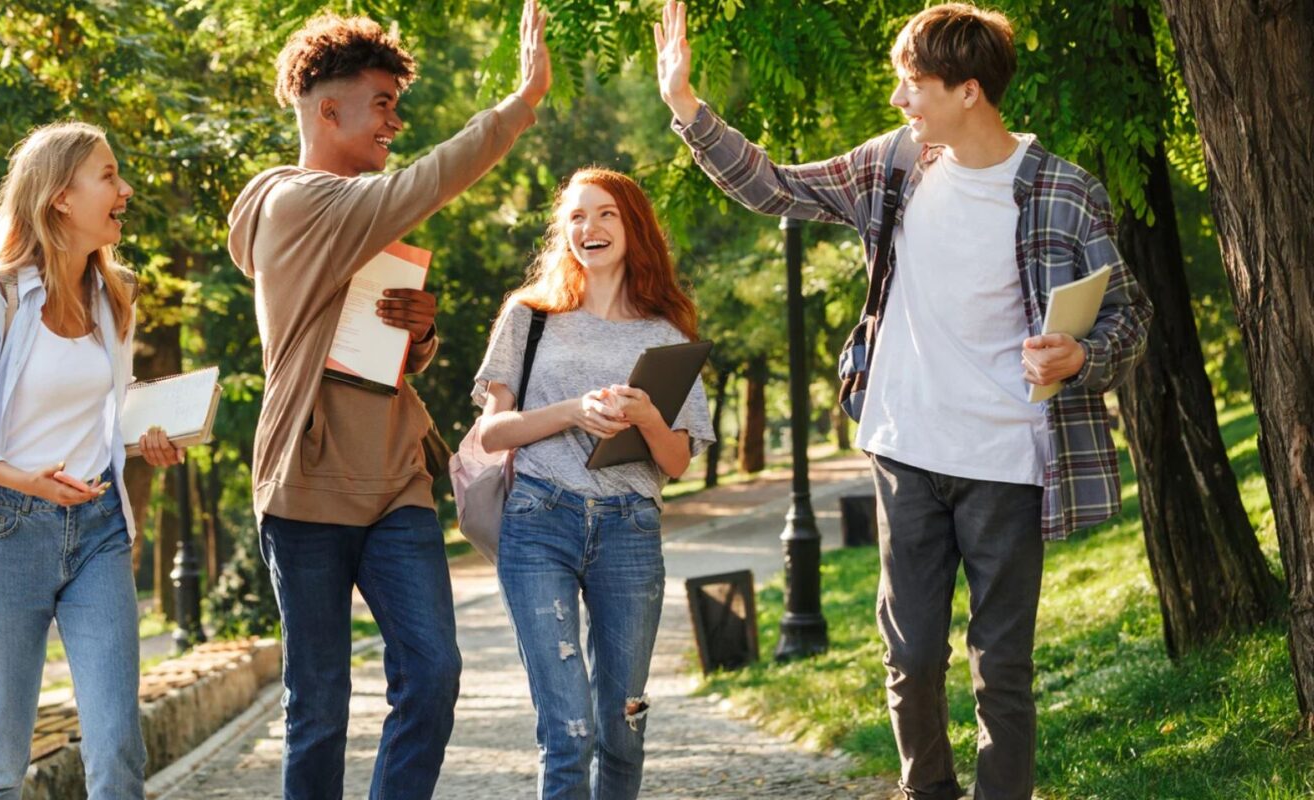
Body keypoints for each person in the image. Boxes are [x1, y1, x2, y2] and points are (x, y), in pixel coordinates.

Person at [653, 3, 1152, 798]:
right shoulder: (896, 166)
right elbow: (778, 188)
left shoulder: (1062, 190)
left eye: (913, 85)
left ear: (968, 91)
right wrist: (687, 106)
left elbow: (1129, 316)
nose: (899, 101)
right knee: (913, 657)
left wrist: (1083, 352)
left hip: (1008, 461)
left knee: (1003, 669)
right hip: (906, 448)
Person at [222, 3, 551, 797]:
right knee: (320, 706)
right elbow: (426, 181)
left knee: (433, 674)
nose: (393, 123)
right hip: (307, 483)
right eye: (381, 105)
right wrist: (522, 101)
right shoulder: (298, 203)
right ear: (327, 110)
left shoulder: (353, 219)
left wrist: (420, 333)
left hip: (396, 477)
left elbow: (371, 351)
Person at [0, 122, 183, 799]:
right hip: (9, 532)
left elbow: (109, 412)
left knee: (117, 745)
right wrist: (22, 478)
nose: (124, 190)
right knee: (4, 756)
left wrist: (149, 438)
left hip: (97, 525)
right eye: (109, 176)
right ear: (61, 196)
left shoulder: (114, 297)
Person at [471, 168, 715, 799]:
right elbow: (492, 435)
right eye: (577, 216)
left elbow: (680, 461)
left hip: (630, 528)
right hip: (537, 520)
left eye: (606, 214)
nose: (590, 228)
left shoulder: (668, 333)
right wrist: (573, 411)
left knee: (622, 726)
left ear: (634, 228)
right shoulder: (529, 317)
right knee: (569, 729)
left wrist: (647, 416)